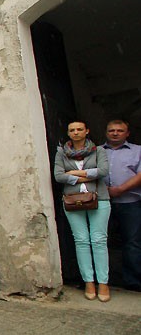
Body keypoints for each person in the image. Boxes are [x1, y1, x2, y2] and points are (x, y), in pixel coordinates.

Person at [54, 121, 111, 302]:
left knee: (99, 240)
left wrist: (75, 173)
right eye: (72, 130)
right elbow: (59, 176)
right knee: (81, 241)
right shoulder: (61, 153)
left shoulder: (98, 151)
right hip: (73, 201)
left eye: (79, 129)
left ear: (87, 131)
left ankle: (103, 282)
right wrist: (87, 174)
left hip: (99, 199)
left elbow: (103, 171)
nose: (76, 132)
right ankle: (88, 281)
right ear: (68, 133)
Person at [102, 119, 141, 291]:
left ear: (127, 133)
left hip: (130, 203)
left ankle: (133, 281)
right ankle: (104, 280)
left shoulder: (138, 151)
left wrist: (120, 189)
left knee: (132, 242)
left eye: (119, 130)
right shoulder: (96, 151)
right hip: (102, 203)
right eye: (111, 130)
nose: (115, 133)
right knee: (101, 241)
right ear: (106, 133)